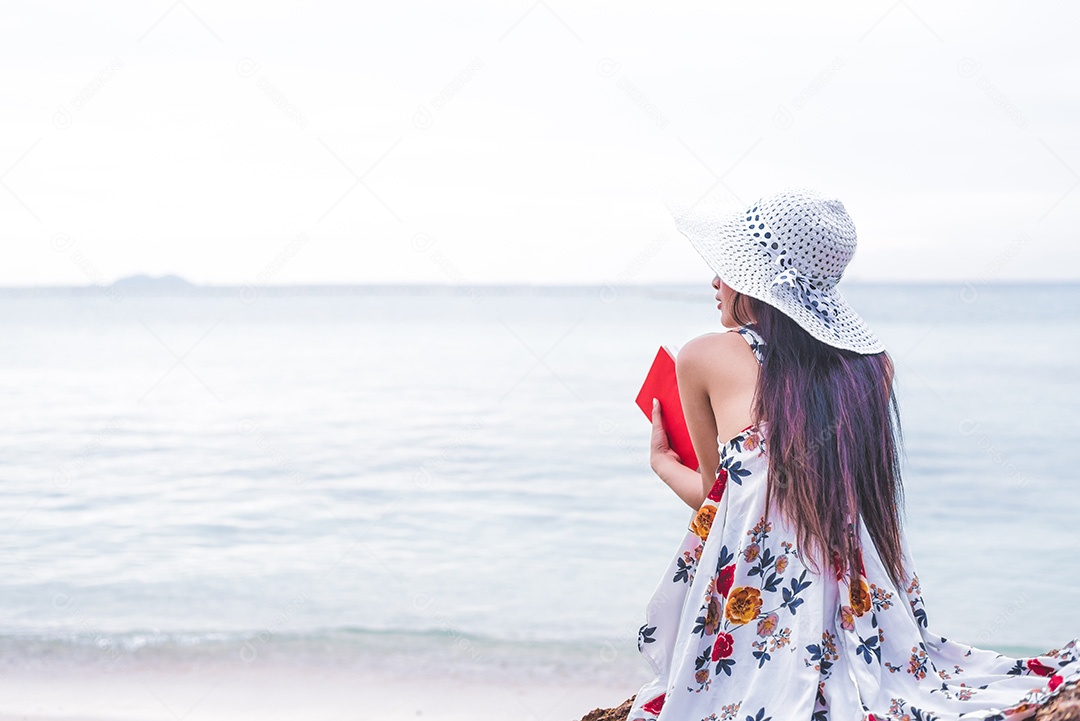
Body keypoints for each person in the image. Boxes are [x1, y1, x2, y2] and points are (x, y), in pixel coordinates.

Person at [625, 187, 1080, 720]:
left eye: (728, 268)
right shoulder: (869, 367)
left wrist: (663, 464)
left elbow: (716, 504)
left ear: (760, 282)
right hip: (862, 611)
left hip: (757, 611)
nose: (715, 281)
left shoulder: (701, 356)